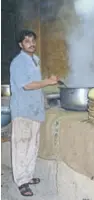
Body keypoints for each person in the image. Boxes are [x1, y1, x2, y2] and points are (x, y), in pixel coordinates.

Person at [10, 29, 58, 196]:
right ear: (21, 45)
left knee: (32, 146)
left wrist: (43, 100)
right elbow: (27, 85)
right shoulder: (18, 62)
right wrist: (48, 81)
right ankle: (21, 181)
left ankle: (28, 176)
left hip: (35, 111)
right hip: (23, 111)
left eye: (33, 40)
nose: (31, 44)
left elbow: (36, 85)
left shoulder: (35, 60)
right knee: (21, 146)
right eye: (27, 41)